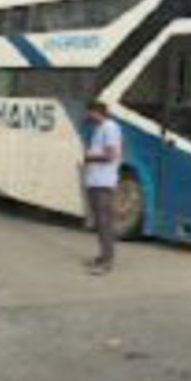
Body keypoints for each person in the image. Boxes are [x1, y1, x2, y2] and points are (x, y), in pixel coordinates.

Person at [82, 101, 122, 276]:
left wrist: (89, 158)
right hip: (96, 181)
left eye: (89, 112)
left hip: (104, 183)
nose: (87, 116)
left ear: (97, 112)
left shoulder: (110, 127)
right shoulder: (100, 128)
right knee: (99, 222)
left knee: (104, 223)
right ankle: (102, 256)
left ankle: (107, 262)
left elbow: (111, 155)